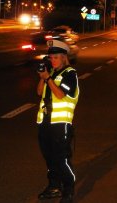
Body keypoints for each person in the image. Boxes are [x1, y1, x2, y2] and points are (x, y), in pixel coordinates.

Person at [36, 39, 79, 203]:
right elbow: (39, 92)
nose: (52, 60)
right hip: (45, 123)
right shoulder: (51, 74)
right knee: (50, 158)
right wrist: (43, 76)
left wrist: (48, 79)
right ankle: (54, 186)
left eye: (55, 58)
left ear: (63, 58)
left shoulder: (70, 74)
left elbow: (61, 94)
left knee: (62, 158)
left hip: (61, 125)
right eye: (50, 58)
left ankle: (68, 189)